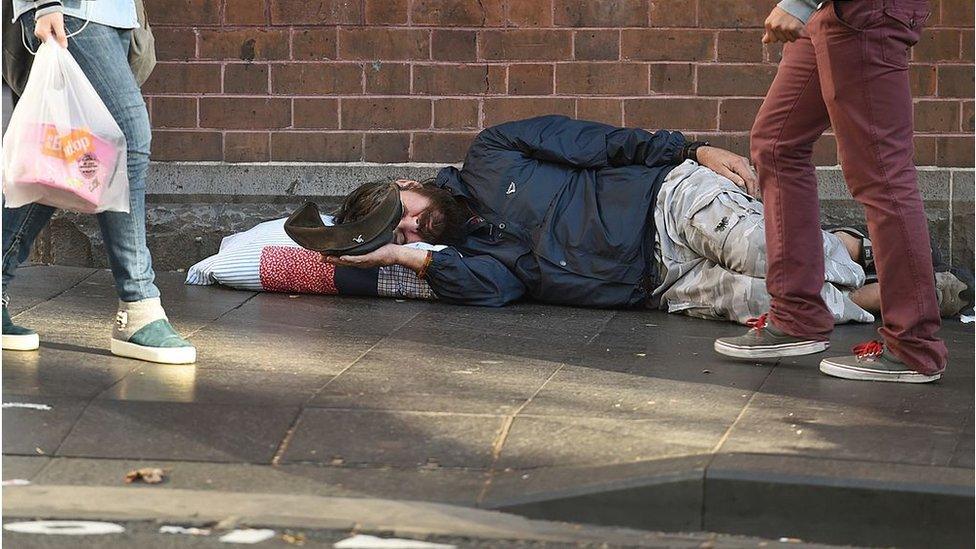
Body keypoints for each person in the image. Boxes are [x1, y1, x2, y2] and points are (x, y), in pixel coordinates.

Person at [320, 116, 970, 326]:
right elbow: (493, 293)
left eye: (402, 218)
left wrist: (690, 149)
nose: (412, 230)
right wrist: (403, 260)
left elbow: (595, 142)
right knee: (782, 304)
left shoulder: (489, 154)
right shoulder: (469, 264)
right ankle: (909, 292)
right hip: (658, 287)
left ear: (409, 185)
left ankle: (867, 254)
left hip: (666, 202)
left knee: (775, 258)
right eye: (399, 237)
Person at [714, 0, 949, 383]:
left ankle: (913, 345)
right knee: (777, 143)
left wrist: (800, 2)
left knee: (881, 171)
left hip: (863, 12)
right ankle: (797, 315)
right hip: (832, 11)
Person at [2, 1, 195, 364]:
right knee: (128, 137)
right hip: (71, 11)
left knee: (56, 160)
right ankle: (138, 306)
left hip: (114, 14)